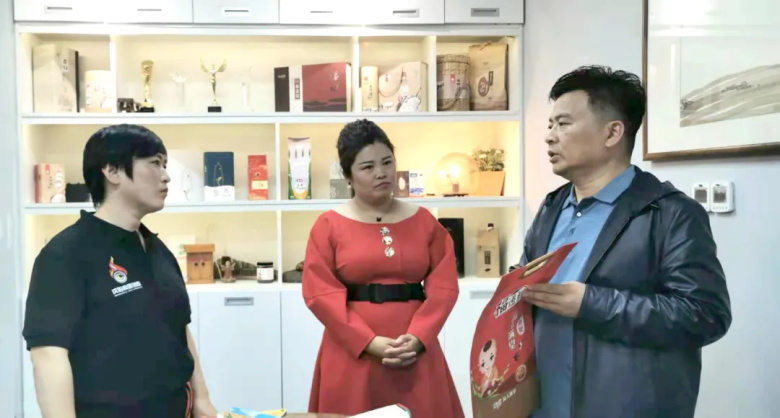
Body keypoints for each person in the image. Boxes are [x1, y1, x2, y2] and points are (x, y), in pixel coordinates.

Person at [515, 66, 732, 418]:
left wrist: (591, 303)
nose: (549, 137)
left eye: (563, 124)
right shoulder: (553, 206)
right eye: (550, 124)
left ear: (613, 132)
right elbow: (528, 278)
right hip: (542, 404)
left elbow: (705, 315)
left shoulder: (671, 213)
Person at [23, 124, 218, 417]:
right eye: (155, 163)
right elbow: (48, 356)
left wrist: (202, 399)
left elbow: (179, 327)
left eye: (164, 164)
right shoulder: (65, 254)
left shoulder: (158, 250)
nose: (166, 175)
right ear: (112, 171)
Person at [301, 119, 465, 417]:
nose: (381, 173)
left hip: (414, 349)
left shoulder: (424, 220)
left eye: (387, 162)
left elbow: (444, 286)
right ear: (348, 176)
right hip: (353, 351)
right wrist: (367, 342)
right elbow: (320, 293)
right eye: (368, 167)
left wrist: (419, 336)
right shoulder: (328, 225)